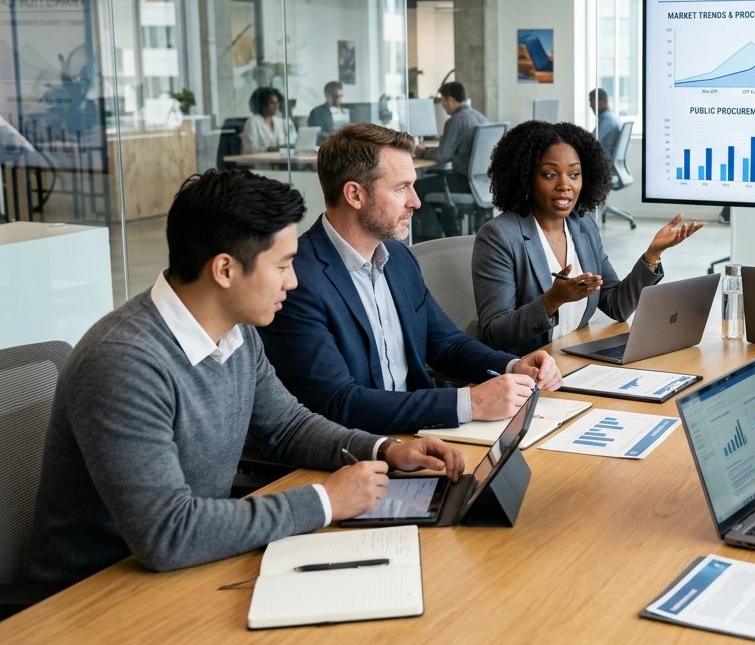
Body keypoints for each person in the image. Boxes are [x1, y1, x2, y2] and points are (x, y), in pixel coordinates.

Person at [22, 170, 465, 588]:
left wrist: (387, 449)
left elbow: (288, 427)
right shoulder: (123, 362)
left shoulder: (237, 333)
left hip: (194, 565)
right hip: (97, 596)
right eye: (282, 265)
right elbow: (166, 533)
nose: (293, 282)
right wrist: (325, 501)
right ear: (225, 270)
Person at [257, 122, 563, 433]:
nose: (415, 201)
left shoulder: (398, 258)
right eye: (401, 188)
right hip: (358, 449)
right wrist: (471, 403)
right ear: (354, 194)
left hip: (420, 431)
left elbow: (446, 344)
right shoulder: (299, 281)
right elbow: (339, 403)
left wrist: (512, 366)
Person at [472, 120, 703, 355]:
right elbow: (494, 336)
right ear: (526, 178)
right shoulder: (499, 236)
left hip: (574, 357)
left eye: (574, 174)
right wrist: (552, 300)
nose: (565, 185)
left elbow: (616, 305)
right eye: (550, 174)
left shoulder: (582, 225)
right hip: (528, 370)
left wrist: (653, 254)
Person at [414, 80, 489, 238]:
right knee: (431, 184)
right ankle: (448, 231)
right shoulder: (480, 117)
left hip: (462, 182)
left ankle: (430, 239)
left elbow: (442, 156)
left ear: (450, 99)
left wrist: (421, 152)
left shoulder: (456, 120)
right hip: (481, 183)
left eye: (442, 100)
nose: (442, 105)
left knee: (416, 188)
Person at [241, 86, 295, 153]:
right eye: (272, 103)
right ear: (263, 104)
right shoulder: (253, 122)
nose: (276, 106)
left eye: (277, 102)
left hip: (278, 160)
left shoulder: (279, 122)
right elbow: (250, 149)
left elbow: (282, 144)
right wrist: (269, 149)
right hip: (258, 162)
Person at [589, 88, 619, 157]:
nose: (590, 105)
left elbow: (591, 140)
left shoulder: (606, 119)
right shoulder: (612, 116)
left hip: (604, 160)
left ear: (601, 101)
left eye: (592, 102)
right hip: (607, 158)